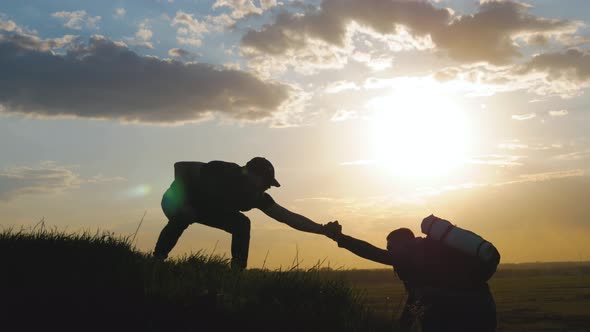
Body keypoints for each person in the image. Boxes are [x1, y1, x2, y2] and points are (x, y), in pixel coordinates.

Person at [323, 216, 497, 332]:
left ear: (403, 243)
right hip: (482, 310)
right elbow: (415, 299)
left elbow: (372, 252)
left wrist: (340, 238)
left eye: (391, 247)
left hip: (456, 316)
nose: (389, 252)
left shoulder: (412, 255)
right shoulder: (427, 257)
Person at [154, 157, 328, 270]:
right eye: (266, 181)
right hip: (174, 201)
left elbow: (287, 217)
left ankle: (237, 272)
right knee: (186, 214)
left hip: (206, 209)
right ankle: (157, 260)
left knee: (242, 223)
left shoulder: (257, 197)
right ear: (252, 175)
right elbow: (181, 166)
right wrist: (183, 201)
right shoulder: (225, 171)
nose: (268, 186)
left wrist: (322, 229)